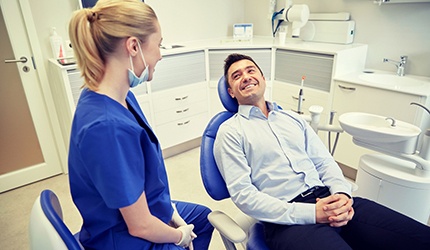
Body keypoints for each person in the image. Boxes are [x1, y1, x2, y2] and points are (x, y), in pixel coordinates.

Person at [213, 53, 430, 250]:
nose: (246, 77)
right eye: (236, 76)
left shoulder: (293, 119)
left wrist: (342, 195)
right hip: (288, 221)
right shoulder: (230, 132)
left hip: (330, 198)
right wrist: (311, 214)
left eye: (251, 70)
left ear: (263, 78)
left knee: (419, 237)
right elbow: (244, 196)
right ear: (231, 91)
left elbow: (324, 162)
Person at [67, 1, 213, 249]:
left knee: (203, 219)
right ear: (134, 46)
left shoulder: (119, 97)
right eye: (159, 44)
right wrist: (179, 236)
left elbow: (142, 179)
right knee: (191, 234)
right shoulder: (106, 127)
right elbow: (140, 226)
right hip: (123, 236)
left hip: (142, 211)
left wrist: (170, 210)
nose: (160, 54)